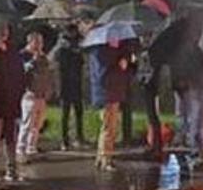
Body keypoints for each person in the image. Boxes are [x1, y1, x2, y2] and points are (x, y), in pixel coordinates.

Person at [0, 24, 24, 182]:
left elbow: (19, 72)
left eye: (6, 30)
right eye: (0, 30)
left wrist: (19, 91)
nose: (3, 33)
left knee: (11, 136)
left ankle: (12, 168)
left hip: (11, 99)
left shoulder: (12, 50)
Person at [95, 38, 134, 172]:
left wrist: (125, 58)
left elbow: (127, 60)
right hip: (106, 92)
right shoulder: (100, 50)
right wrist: (118, 62)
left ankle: (102, 157)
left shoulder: (120, 49)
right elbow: (102, 71)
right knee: (108, 127)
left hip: (116, 91)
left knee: (111, 127)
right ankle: (105, 159)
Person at [17, 31, 54, 162]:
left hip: (41, 94)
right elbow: (22, 71)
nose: (40, 45)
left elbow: (48, 73)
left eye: (41, 42)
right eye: (37, 42)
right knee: (27, 123)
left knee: (37, 124)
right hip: (29, 94)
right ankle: (20, 149)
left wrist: (49, 88)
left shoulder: (43, 57)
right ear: (30, 42)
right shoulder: (23, 55)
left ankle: (31, 147)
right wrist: (33, 60)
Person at [51, 21, 88, 150]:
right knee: (65, 113)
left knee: (78, 112)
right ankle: (64, 140)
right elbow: (57, 66)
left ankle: (79, 137)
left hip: (75, 82)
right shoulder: (61, 47)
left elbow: (82, 63)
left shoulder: (78, 44)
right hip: (65, 83)